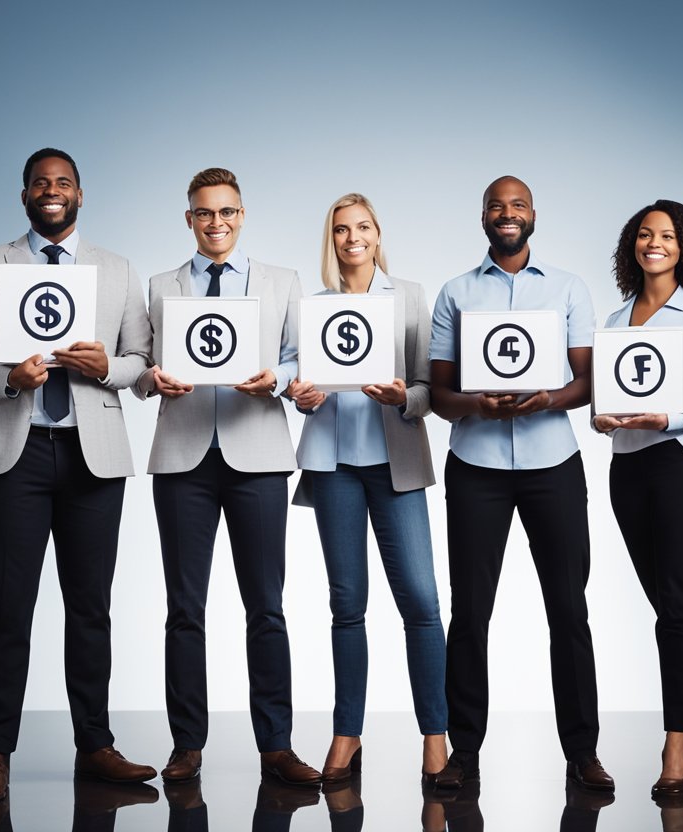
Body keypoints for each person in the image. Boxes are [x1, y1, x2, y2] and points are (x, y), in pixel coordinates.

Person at [0, 148, 157, 801]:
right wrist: (6, 377)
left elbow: (142, 364)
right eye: (41, 183)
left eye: (63, 183)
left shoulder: (115, 270)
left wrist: (102, 366)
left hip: (94, 454)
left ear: (80, 194)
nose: (52, 191)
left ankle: (96, 745)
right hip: (16, 450)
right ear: (25, 195)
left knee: (91, 607)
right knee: (8, 606)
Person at [135, 167, 320, 786]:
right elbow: (139, 366)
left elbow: (301, 356)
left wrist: (276, 375)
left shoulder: (282, 282)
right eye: (204, 213)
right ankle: (187, 744)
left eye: (228, 212)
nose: (217, 223)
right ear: (189, 219)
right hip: (184, 456)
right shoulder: (161, 285)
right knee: (184, 608)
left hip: (258, 455)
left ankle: (277, 744)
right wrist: (149, 379)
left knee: (266, 607)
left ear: (243, 216)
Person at [429, 175, 613, 791]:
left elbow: (589, 381)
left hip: (552, 464)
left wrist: (546, 400)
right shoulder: (455, 293)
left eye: (518, 205)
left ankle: (582, 754)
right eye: (496, 206)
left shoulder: (568, 289)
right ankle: (465, 753)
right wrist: (477, 407)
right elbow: (441, 392)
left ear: (534, 214)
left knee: (569, 609)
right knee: (470, 613)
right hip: (475, 467)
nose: (507, 214)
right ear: (482, 216)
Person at [287, 194, 448, 785]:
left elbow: (432, 385)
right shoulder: (313, 306)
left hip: (394, 463)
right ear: (330, 239)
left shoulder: (407, 297)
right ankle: (347, 733)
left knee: (422, 603)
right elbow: (299, 381)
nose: (352, 237)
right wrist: (299, 396)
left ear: (378, 233)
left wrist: (404, 397)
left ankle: (436, 735)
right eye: (340, 229)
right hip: (334, 466)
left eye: (362, 227)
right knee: (346, 605)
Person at [593, 200, 683, 798]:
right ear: (633, 246)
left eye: (667, 236)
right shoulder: (615, 320)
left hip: (681, 466)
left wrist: (668, 418)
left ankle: (679, 742)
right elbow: (608, 395)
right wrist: (604, 419)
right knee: (663, 606)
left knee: (676, 604)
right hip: (626, 468)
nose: (655, 243)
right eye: (645, 235)